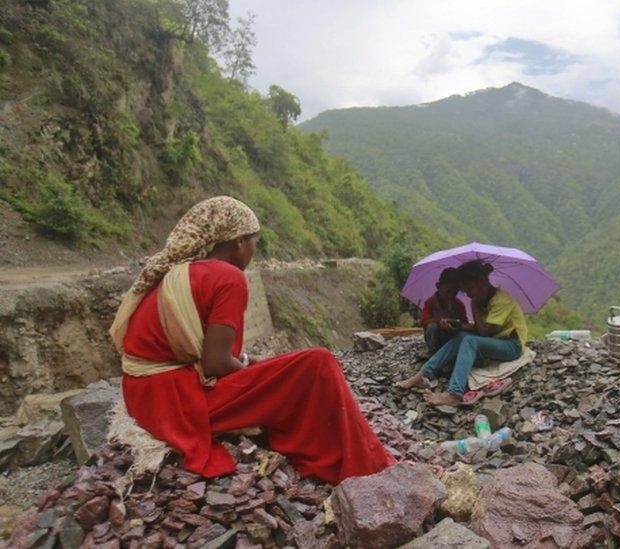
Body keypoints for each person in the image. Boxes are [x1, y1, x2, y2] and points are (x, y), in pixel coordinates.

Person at [109, 196, 394, 484]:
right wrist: (250, 371)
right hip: (174, 405)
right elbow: (216, 364)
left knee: (282, 367)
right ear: (239, 242)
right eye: (254, 242)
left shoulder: (182, 272)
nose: (254, 250)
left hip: (143, 393)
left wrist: (248, 364)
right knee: (318, 363)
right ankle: (367, 463)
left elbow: (206, 355)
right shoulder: (228, 277)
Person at [397, 260, 527, 405]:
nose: (469, 295)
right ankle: (423, 374)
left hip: (512, 346)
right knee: (461, 336)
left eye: (470, 289)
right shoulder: (484, 298)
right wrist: (459, 327)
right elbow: (480, 328)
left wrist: (474, 306)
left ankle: (454, 393)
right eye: (466, 291)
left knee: (469, 341)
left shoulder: (501, 301)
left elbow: (484, 332)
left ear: (482, 282)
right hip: (496, 339)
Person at [419, 268, 468, 355]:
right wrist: (440, 320)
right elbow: (424, 322)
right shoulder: (430, 303)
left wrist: (455, 321)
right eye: (448, 291)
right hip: (436, 336)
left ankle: (453, 353)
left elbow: (465, 322)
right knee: (432, 327)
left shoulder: (459, 304)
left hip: (452, 336)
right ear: (438, 286)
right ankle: (433, 353)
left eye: (455, 292)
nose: (451, 295)